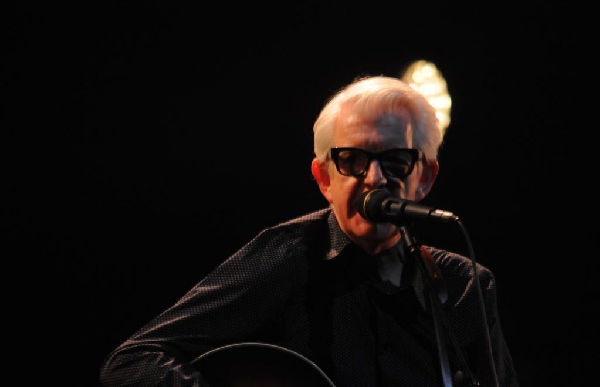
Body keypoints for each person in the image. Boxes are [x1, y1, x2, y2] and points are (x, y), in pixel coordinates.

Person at [99, 75, 519, 387]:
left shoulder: (464, 286)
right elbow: (131, 363)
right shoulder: (287, 256)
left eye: (396, 162)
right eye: (352, 160)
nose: (374, 178)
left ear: (424, 179)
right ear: (323, 179)